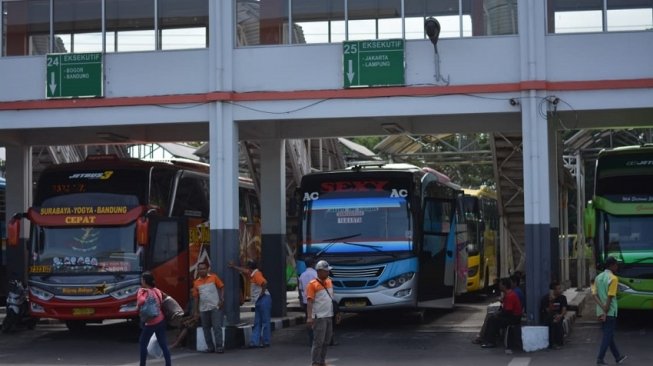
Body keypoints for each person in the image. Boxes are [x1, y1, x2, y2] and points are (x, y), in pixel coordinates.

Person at [593, 256, 628, 365]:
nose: (617, 267)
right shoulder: (613, 278)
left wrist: (602, 308)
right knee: (607, 336)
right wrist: (606, 309)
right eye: (616, 264)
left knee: (609, 335)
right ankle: (600, 358)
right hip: (610, 311)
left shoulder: (597, 278)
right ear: (612, 265)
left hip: (600, 311)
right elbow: (610, 295)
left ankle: (618, 357)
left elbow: (594, 295)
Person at [230, 259, 272, 348]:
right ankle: (255, 342)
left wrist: (261, 293)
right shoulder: (252, 273)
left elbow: (264, 283)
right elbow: (244, 271)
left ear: (249, 267)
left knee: (264, 321)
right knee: (258, 322)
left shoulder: (256, 274)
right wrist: (234, 266)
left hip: (263, 299)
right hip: (259, 300)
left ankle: (265, 341)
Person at [137, 271, 172, 366]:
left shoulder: (142, 291)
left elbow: (140, 302)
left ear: (144, 281)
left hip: (150, 322)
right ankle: (168, 364)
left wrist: (141, 293)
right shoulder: (157, 291)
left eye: (141, 279)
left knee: (143, 343)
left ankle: (142, 364)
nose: (141, 281)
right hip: (160, 320)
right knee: (163, 344)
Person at [306, 260, 336, 366]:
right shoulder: (312, 285)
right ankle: (315, 362)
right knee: (318, 341)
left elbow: (332, 298)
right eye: (326, 271)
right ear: (319, 271)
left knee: (327, 341)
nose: (328, 272)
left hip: (329, 315)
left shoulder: (329, 281)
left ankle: (322, 361)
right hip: (319, 317)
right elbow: (309, 301)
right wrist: (309, 317)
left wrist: (336, 313)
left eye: (328, 271)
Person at [192, 262, 225, 353]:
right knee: (205, 328)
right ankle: (210, 347)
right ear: (198, 271)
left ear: (207, 269)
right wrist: (196, 312)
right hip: (203, 308)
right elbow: (196, 298)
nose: (202, 270)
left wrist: (222, 299)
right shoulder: (196, 283)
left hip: (215, 306)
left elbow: (222, 287)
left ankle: (219, 346)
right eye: (200, 269)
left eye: (203, 268)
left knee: (216, 327)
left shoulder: (214, 277)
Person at [480, 277, 523, 348]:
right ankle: (488, 339)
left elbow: (508, 311)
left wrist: (498, 314)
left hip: (513, 318)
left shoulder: (510, 296)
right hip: (511, 316)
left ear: (504, 285)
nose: (499, 286)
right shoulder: (508, 294)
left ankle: (491, 341)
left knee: (493, 320)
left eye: (500, 284)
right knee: (492, 318)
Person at [540, 280, 567, 349]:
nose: (560, 290)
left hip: (558, 316)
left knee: (557, 321)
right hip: (548, 316)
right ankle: (553, 343)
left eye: (560, 288)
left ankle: (559, 341)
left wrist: (560, 315)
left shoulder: (563, 298)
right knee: (553, 321)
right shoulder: (546, 299)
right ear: (553, 290)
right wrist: (551, 300)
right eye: (558, 289)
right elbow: (548, 311)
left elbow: (564, 309)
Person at [299, 257, 318, 346]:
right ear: (313, 264)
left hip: (306, 301)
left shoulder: (302, 275)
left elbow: (300, 289)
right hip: (315, 301)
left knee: (309, 320)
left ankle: (311, 340)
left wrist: (301, 301)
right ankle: (317, 339)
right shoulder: (316, 274)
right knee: (318, 320)